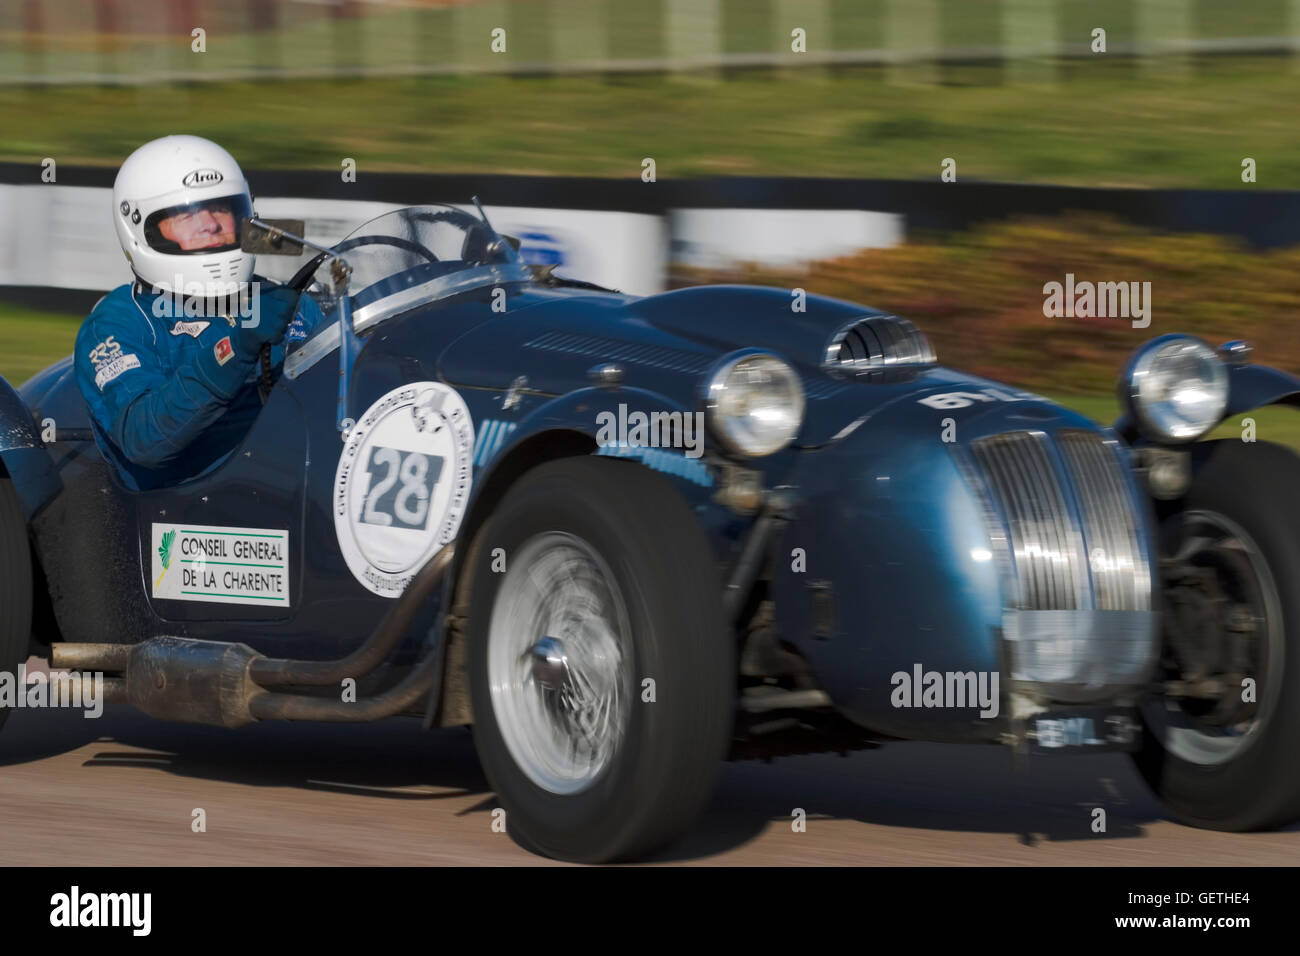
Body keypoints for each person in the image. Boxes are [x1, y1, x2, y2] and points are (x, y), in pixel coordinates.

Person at [75, 135, 322, 490]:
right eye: (186, 215)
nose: (209, 224)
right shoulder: (116, 324)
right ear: (140, 230)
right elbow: (145, 440)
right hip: (191, 515)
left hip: (301, 491)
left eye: (222, 209)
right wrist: (235, 349)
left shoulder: (290, 303)